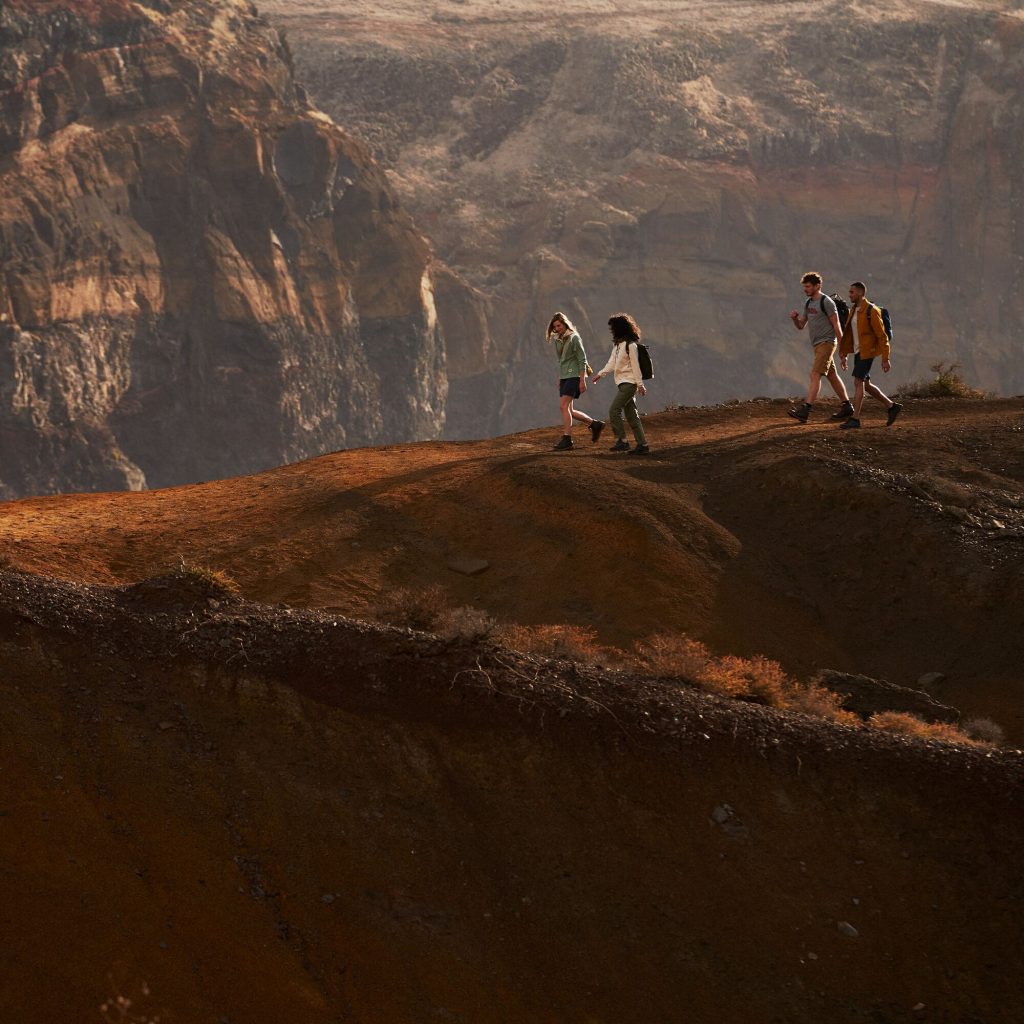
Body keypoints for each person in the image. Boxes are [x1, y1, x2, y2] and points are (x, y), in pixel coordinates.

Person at [787, 271, 854, 423]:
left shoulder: (827, 302)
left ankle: (806, 409)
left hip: (827, 343)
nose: (805, 289)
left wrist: (843, 351)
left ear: (818, 286)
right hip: (817, 345)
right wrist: (794, 319)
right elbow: (801, 325)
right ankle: (847, 406)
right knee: (831, 375)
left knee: (815, 375)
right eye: (804, 286)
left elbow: (837, 326)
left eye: (808, 286)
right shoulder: (808, 303)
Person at [838, 282, 903, 430]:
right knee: (865, 385)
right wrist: (844, 354)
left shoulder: (871, 311)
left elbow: (882, 336)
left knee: (858, 382)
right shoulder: (854, 310)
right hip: (858, 351)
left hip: (867, 352)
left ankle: (855, 418)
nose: (849, 295)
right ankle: (891, 406)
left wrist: (885, 358)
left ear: (860, 293)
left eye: (852, 292)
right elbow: (849, 335)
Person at [590, 312, 650, 455]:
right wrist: (600, 374)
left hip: (630, 384)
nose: (611, 330)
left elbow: (636, 366)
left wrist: (640, 385)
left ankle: (622, 442)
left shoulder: (631, 346)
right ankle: (643, 444)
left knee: (614, 410)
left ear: (620, 328)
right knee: (631, 415)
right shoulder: (617, 346)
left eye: (613, 328)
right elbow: (612, 364)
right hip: (622, 383)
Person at [547, 312, 603, 450]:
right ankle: (595, 424)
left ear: (565, 323)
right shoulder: (559, 340)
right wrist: (560, 378)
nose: (557, 329)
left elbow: (582, 359)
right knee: (569, 410)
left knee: (563, 406)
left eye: (559, 325)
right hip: (565, 376)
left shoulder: (574, 338)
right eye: (555, 327)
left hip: (574, 376)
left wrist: (582, 380)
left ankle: (567, 439)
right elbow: (561, 361)